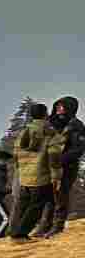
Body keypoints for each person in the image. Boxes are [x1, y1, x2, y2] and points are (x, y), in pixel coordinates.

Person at [37, 96, 82, 236]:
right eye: (58, 106)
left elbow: (78, 149)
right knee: (48, 196)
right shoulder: (50, 123)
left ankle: (58, 225)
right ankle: (44, 225)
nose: (59, 109)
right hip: (48, 167)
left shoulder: (76, 125)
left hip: (67, 166)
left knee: (61, 195)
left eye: (62, 106)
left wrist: (61, 159)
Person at [9, 104, 55, 240]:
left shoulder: (24, 132)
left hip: (25, 175)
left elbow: (16, 153)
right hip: (41, 175)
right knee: (37, 206)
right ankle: (21, 234)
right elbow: (54, 154)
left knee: (24, 204)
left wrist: (21, 169)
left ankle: (14, 232)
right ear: (45, 114)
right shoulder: (48, 131)